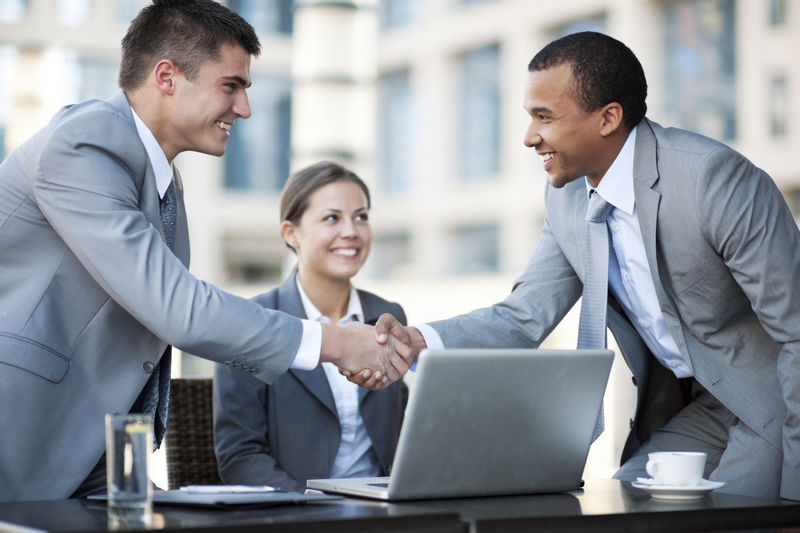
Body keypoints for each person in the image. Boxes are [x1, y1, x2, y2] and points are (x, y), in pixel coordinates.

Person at [360, 31, 800, 501]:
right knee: (620, 508)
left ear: (609, 117)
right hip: (701, 410)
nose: (530, 137)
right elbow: (523, 315)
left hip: (771, 403)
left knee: (730, 520)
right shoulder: (567, 198)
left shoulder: (713, 179)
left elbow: (797, 333)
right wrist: (417, 339)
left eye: (543, 117)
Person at [0, 0, 408, 503]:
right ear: (167, 76)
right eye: (231, 86)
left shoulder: (161, 179)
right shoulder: (83, 146)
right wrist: (340, 343)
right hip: (21, 443)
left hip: (93, 456)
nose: (244, 108)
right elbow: (178, 307)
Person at [213, 162, 408, 492]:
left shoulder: (387, 315)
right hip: (299, 513)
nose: (351, 231)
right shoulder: (252, 321)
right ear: (291, 233)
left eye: (361, 216)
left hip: (385, 510)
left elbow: (404, 432)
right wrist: (307, 508)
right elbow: (240, 456)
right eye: (332, 218)